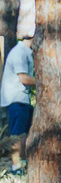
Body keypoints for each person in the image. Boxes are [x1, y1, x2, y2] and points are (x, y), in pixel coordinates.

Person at [3, 32, 30, 173]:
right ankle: (16, 167)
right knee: (17, 135)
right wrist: (45, 83)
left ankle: (23, 164)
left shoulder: (26, 52)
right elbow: (24, 78)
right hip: (16, 98)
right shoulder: (19, 53)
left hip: (22, 99)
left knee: (24, 134)